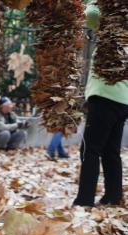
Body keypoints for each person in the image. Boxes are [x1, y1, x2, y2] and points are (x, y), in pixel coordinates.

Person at [73, 4, 128, 207]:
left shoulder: (112, 20)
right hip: (123, 99)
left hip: (105, 96)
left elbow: (88, 13)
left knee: (90, 150)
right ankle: (113, 196)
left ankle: (84, 200)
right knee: (110, 151)